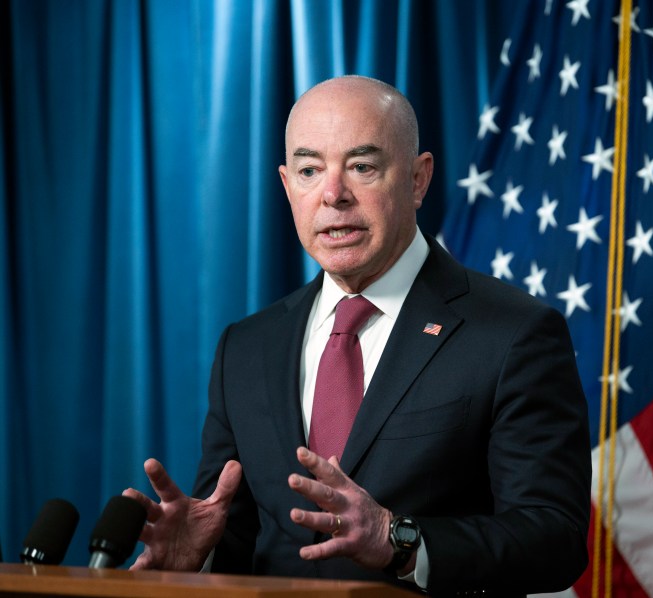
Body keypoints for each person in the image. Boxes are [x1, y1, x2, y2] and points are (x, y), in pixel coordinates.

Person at [124, 75, 590, 596]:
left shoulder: (512, 334)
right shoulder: (247, 348)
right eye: (308, 170)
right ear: (286, 186)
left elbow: (555, 538)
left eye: (362, 167)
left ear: (417, 179)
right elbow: (242, 536)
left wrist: (399, 540)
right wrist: (197, 558)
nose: (332, 194)